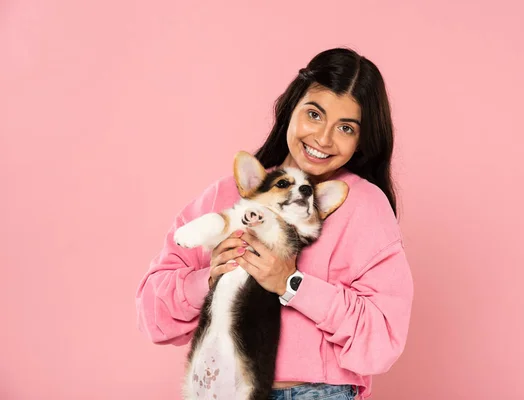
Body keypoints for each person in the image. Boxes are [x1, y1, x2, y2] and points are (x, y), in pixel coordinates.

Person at [136, 48, 414, 400]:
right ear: (291, 109)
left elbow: (382, 337)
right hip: (218, 391)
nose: (323, 138)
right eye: (314, 114)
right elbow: (151, 313)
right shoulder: (227, 195)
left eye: (345, 127)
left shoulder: (364, 206)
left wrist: (291, 283)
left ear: (361, 140)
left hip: (315, 393)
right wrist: (208, 278)